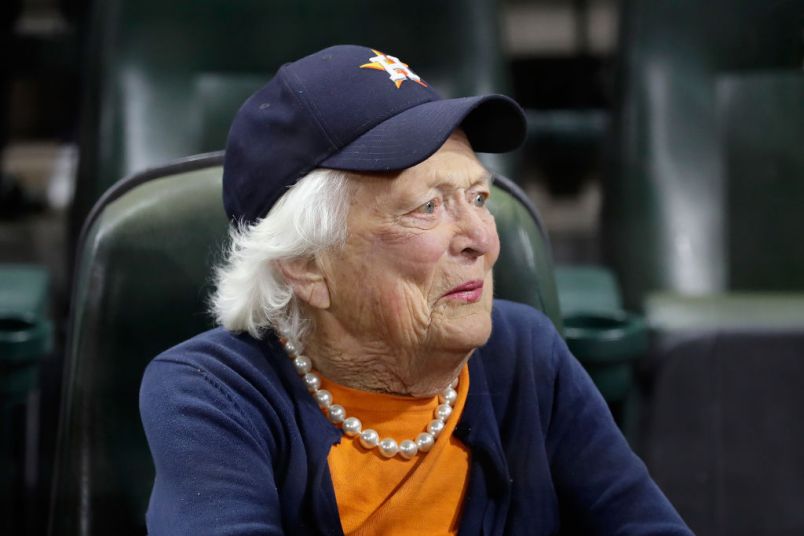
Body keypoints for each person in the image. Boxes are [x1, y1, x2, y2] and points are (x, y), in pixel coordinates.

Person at [139, 45, 692, 535]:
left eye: (478, 198)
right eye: (427, 208)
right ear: (307, 267)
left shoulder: (526, 355)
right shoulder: (212, 393)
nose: (481, 239)